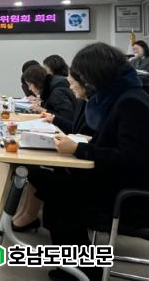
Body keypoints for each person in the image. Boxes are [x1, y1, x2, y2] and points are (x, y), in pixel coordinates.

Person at [40, 43, 149, 281]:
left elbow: (131, 159)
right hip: (123, 186)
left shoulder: (131, 104)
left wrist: (80, 149)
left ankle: (82, 272)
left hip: (135, 199)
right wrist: (87, 145)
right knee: (51, 183)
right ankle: (80, 267)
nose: (71, 82)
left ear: (91, 78)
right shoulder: (122, 97)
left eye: (76, 77)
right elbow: (119, 147)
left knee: (59, 197)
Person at [12, 68, 95, 232]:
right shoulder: (84, 102)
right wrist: (53, 118)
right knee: (35, 171)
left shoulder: (63, 94)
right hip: (81, 156)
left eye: (72, 82)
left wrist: (78, 146)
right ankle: (27, 214)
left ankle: (29, 216)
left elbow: (108, 148)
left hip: (92, 172)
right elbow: (75, 127)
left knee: (39, 172)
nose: (70, 87)